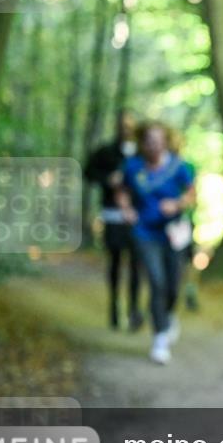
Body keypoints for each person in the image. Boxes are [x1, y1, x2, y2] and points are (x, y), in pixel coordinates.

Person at [116, 120, 196, 364]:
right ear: (143, 142)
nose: (154, 145)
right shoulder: (133, 167)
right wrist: (126, 208)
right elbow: (122, 191)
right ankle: (160, 337)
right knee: (156, 280)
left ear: (166, 142)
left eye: (159, 141)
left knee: (173, 284)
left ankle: (168, 315)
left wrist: (177, 204)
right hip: (144, 232)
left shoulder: (179, 166)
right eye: (149, 141)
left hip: (174, 232)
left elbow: (192, 194)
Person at [83, 110, 142, 331]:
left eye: (130, 125)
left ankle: (134, 310)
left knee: (137, 264)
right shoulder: (105, 152)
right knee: (116, 262)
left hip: (138, 217)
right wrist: (108, 180)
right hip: (113, 215)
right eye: (123, 125)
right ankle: (114, 308)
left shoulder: (141, 155)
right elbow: (88, 173)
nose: (126, 129)